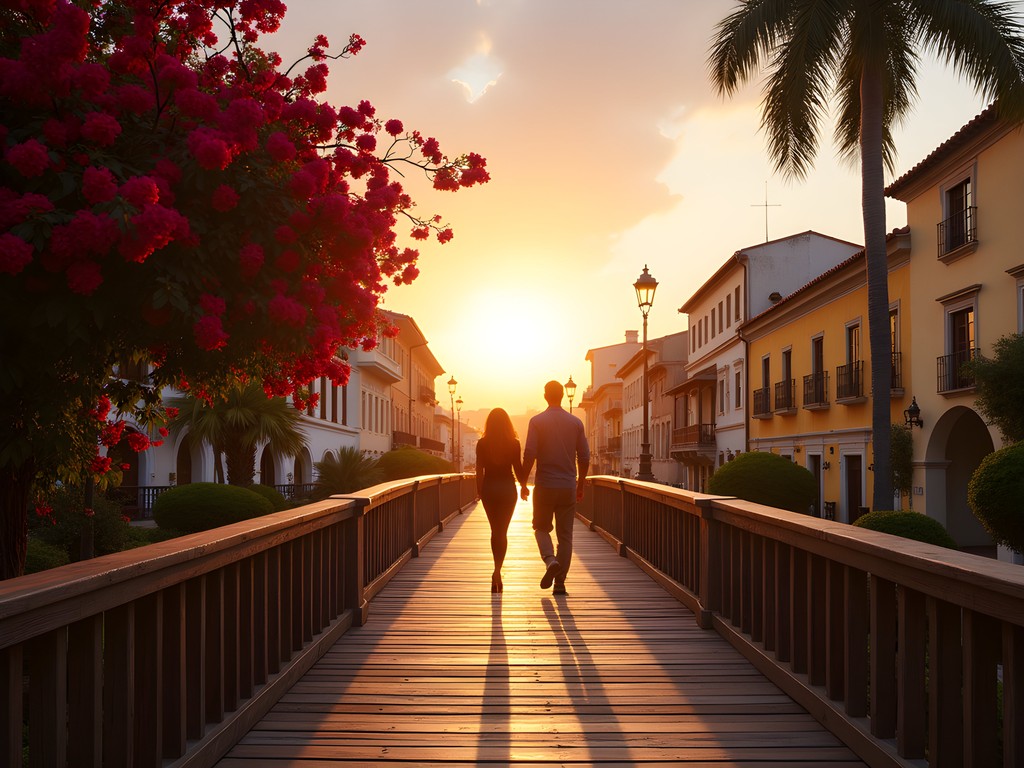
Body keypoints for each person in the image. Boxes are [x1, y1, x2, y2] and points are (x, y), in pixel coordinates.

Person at [521, 380, 590, 597]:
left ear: (545, 396)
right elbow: (585, 457)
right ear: (562, 396)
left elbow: (529, 453)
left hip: (544, 485)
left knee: (541, 528)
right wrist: (580, 484)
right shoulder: (576, 423)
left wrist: (523, 482)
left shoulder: (537, 421)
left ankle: (550, 561)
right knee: (565, 536)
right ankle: (560, 583)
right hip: (568, 486)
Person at [475, 407, 528, 593]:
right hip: (507, 490)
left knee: (494, 531)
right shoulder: (514, 443)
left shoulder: (482, 443)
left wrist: (479, 492)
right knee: (502, 532)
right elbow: (518, 468)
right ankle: (497, 571)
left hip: (489, 489)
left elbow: (479, 470)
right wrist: (523, 485)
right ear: (507, 424)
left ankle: (496, 571)